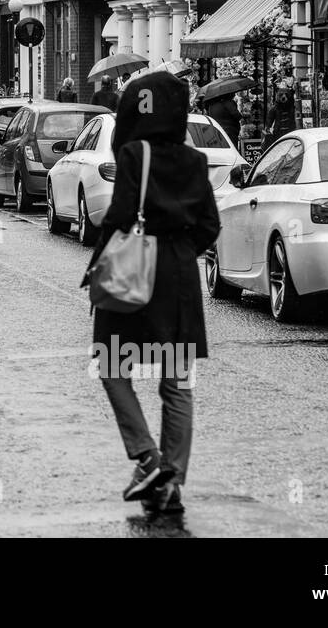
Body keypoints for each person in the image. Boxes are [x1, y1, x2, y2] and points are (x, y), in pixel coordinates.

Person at [85, 72, 219, 514]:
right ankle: (172, 483)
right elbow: (209, 227)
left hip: (134, 269)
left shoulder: (132, 153)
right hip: (180, 276)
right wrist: (180, 250)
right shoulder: (195, 161)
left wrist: (97, 265)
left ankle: (147, 457)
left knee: (112, 363)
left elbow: (122, 214)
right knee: (176, 381)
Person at [265, 82, 297, 146]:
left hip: (290, 132)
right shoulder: (275, 108)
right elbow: (269, 119)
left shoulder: (292, 107)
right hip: (278, 132)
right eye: (281, 95)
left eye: (286, 95)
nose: (283, 97)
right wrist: (268, 127)